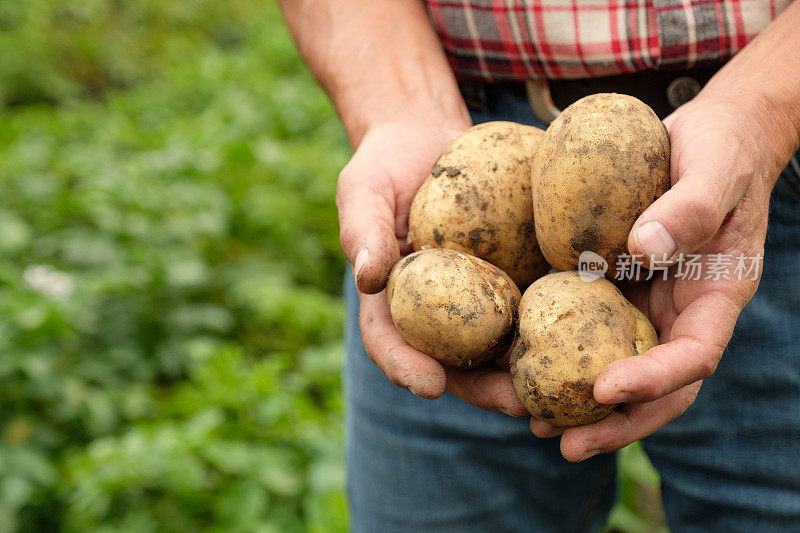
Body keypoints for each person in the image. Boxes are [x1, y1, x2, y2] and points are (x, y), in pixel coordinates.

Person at [278, 1, 800, 531]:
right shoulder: (445, 246)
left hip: (749, 153)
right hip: (459, 114)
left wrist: (767, 107)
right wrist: (395, 102)